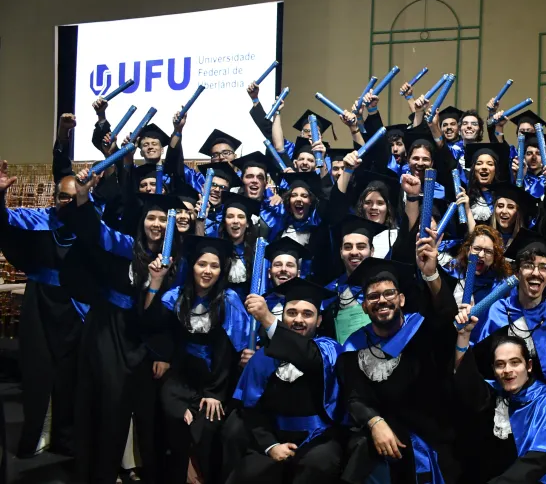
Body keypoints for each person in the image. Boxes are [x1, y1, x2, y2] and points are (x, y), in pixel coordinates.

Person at [60, 180, 184, 484]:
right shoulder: (125, 245)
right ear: (142, 221)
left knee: (145, 410)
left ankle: (141, 469)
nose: (156, 224)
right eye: (151, 217)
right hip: (109, 331)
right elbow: (93, 231)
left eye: (163, 219)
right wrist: (83, 197)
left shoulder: (176, 263)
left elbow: (171, 317)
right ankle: (100, 472)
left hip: (147, 340)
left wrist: (164, 353)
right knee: (107, 403)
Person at [336, 253, 460, 483]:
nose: (382, 300)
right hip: (385, 437)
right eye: (373, 296)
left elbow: (446, 316)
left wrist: (431, 274)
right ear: (364, 307)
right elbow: (354, 397)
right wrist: (375, 422)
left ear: (401, 299)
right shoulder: (354, 346)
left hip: (433, 436)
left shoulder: (424, 330)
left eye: (389, 293)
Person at [147, 235, 251, 484]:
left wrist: (214, 393)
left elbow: (229, 353)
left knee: (207, 428)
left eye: (214, 266)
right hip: (180, 378)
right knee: (173, 420)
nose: (207, 271)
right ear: (192, 266)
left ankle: (198, 475)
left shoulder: (229, 301)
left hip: (214, 380)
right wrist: (155, 282)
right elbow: (154, 325)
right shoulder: (177, 297)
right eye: (201, 264)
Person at [0, 158, 84, 459]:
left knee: (71, 376)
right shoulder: (38, 220)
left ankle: (65, 437)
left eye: (74, 197)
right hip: (40, 305)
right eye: (63, 196)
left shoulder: (92, 227)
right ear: (54, 197)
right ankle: (38, 432)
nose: (68, 202)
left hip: (77, 308)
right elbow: (5, 223)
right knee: (37, 371)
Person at [229, 278, 344, 483]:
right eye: (291, 313)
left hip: (319, 439)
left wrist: (267, 319)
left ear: (319, 320)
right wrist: (271, 446)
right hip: (275, 437)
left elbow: (308, 356)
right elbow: (251, 409)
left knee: (317, 465)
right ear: (283, 316)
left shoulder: (328, 350)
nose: (298, 319)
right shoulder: (264, 356)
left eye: (307, 314)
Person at [451, 331, 546, 483]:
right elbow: (468, 384)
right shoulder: (496, 391)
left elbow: (540, 459)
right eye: (500, 364)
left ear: (528, 366)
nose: (507, 370)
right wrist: (463, 336)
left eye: (515, 362)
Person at [472, 230, 546, 388]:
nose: (536, 273)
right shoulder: (499, 310)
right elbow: (482, 365)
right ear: (517, 273)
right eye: (528, 266)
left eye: (543, 267)